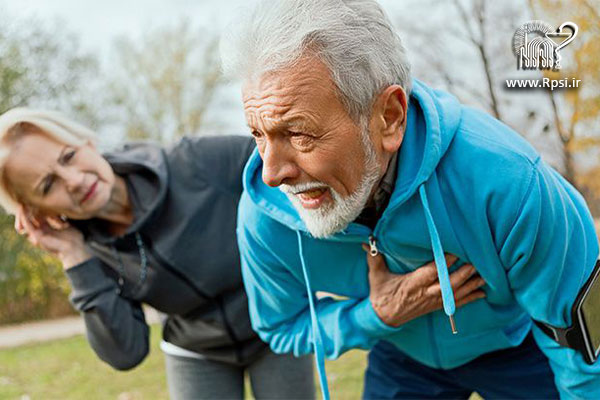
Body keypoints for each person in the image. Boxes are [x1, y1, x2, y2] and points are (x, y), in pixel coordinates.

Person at [220, 0, 600, 398]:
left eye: (299, 134)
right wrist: (376, 316)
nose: (271, 173)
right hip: (403, 357)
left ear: (389, 117)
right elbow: (280, 327)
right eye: (259, 135)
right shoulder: (264, 215)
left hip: (517, 348)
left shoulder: (510, 181)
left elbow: (585, 348)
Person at [0, 108, 315, 400]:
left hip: (276, 327)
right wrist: (74, 256)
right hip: (195, 351)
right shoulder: (90, 251)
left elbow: (294, 169)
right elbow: (126, 353)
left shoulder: (196, 162)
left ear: (87, 143)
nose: (75, 180)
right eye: (47, 185)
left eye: (68, 156)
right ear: (38, 212)